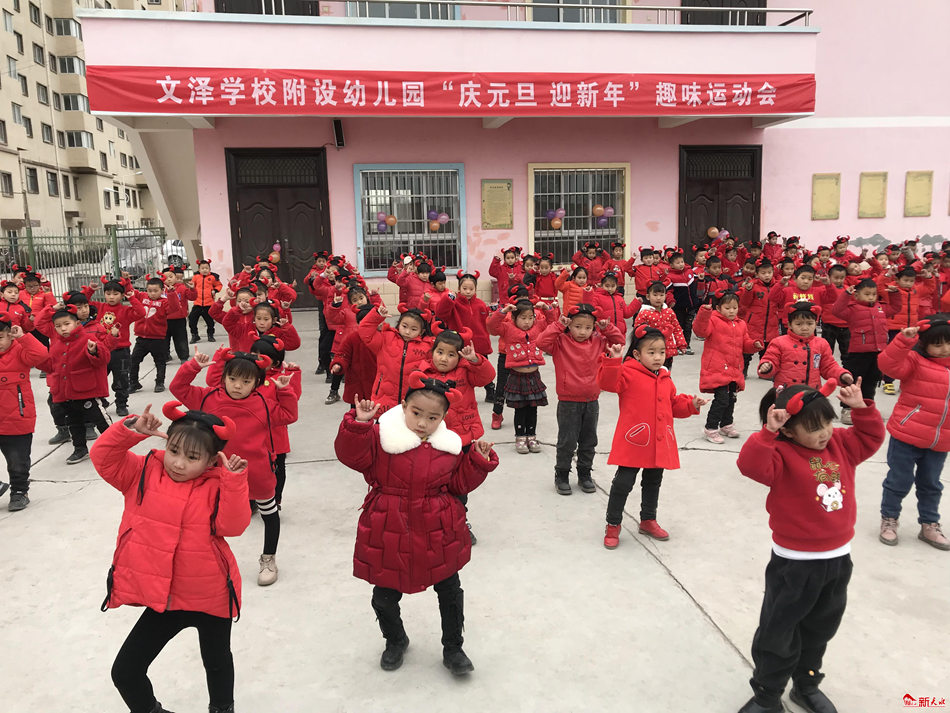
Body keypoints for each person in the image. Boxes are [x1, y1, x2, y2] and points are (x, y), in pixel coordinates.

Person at [735, 379, 884, 713]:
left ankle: (807, 685)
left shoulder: (841, 443)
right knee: (779, 631)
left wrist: (861, 409)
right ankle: (767, 695)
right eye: (814, 428)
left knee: (820, 628)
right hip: (795, 564)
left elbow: (871, 438)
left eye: (827, 422)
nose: (825, 432)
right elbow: (750, 466)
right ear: (788, 431)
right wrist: (767, 433)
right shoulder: (780, 453)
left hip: (837, 561)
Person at [334, 376, 498, 675]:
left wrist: (477, 460)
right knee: (384, 595)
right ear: (404, 406)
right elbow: (351, 456)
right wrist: (359, 424)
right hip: (388, 526)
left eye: (433, 417)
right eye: (416, 413)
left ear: (443, 417)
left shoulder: (449, 446)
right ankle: (395, 639)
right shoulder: (382, 437)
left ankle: (453, 647)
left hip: (438, 528)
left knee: (449, 589)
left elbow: (459, 484)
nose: (423, 423)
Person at [93, 402, 250, 713]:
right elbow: (104, 459)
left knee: (217, 663)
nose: (178, 463)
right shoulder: (141, 472)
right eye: (174, 451)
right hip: (164, 598)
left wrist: (234, 482)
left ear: (210, 461)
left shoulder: (218, 485)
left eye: (192, 457)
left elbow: (233, 527)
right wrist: (131, 431)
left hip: (211, 594)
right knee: (125, 671)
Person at [171, 349, 298, 586]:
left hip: (257, 472)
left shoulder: (263, 404)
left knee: (270, 515)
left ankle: (268, 559)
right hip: (214, 474)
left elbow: (289, 415)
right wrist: (193, 366)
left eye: (246, 381)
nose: (238, 386)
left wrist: (284, 390)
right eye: (232, 379)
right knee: (203, 517)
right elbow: (178, 388)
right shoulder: (208, 398)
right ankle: (202, 561)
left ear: (257, 383)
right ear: (223, 377)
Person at [598, 326, 706, 546]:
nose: (658, 357)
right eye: (652, 352)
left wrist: (691, 404)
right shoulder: (627, 372)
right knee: (623, 483)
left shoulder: (665, 378)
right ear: (637, 354)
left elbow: (673, 404)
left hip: (658, 443)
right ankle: (613, 524)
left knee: (653, 482)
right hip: (634, 442)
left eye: (662, 352)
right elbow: (608, 384)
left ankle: (648, 519)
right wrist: (614, 360)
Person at [876, 317, 950, 550]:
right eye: (937, 344)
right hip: (907, 435)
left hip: (941, 440)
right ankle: (889, 518)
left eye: (949, 343)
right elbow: (888, 365)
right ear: (924, 344)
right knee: (899, 480)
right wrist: (902, 341)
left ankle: (929, 523)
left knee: (931, 484)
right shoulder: (915, 361)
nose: (945, 348)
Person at [537, 304, 623, 495]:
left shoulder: (599, 341)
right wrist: (558, 325)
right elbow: (541, 342)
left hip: (592, 401)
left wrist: (607, 328)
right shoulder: (560, 342)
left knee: (589, 441)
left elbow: (619, 342)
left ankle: (584, 473)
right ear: (569, 325)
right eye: (577, 326)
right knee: (567, 441)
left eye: (588, 327)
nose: (583, 332)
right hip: (568, 401)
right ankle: (562, 474)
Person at [420, 326, 495, 543]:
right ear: (432, 352)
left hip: (461, 438)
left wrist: (475, 360)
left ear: (459, 356)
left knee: (459, 486)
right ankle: (431, 524)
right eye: (440, 352)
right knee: (433, 485)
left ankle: (460, 522)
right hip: (432, 440)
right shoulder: (423, 372)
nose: (444, 358)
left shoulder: (466, 371)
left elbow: (487, 376)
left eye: (451, 354)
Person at [37, 304, 112, 465]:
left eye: (67, 324)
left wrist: (94, 351)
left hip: (86, 391)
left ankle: (115, 446)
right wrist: (38, 360)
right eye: (58, 326)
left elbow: (104, 358)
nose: (63, 329)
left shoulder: (87, 339)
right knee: (73, 423)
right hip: (66, 394)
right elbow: (52, 366)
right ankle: (80, 449)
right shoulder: (56, 343)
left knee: (100, 420)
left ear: (77, 323)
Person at [693, 291, 763, 444]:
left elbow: (745, 344)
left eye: (734, 308)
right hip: (717, 368)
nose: (732, 311)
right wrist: (704, 313)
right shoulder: (713, 321)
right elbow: (700, 330)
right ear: (718, 308)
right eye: (727, 308)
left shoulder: (741, 324)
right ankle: (711, 427)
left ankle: (726, 424)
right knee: (722, 399)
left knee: (731, 398)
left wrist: (754, 345)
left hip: (734, 368)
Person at [487, 299, 555, 454]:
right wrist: (502, 312)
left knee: (533, 408)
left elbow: (552, 323)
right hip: (517, 376)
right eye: (523, 318)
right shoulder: (507, 328)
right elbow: (492, 327)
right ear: (514, 318)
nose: (527, 322)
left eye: (530, 318)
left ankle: (532, 436)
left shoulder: (538, 327)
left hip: (534, 376)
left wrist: (547, 308)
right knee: (520, 409)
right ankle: (520, 438)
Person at [832, 279, 900, 424]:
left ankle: (867, 408)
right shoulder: (852, 309)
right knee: (853, 381)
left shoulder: (880, 308)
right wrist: (846, 295)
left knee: (871, 381)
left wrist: (895, 294)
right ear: (856, 295)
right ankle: (847, 408)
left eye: (874, 294)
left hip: (877, 353)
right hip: (857, 353)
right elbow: (837, 310)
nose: (871, 297)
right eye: (867, 294)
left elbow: (896, 308)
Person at [0, 317, 47, 511]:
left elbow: (41, 355)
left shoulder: (19, 351)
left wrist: (23, 337)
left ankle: (19, 492)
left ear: (10, 336)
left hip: (16, 418)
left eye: (0, 337)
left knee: (17, 461)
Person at [358, 304, 434, 414]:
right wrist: (377, 316)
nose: (407, 332)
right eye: (404, 326)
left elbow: (433, 366)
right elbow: (365, 332)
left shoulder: (427, 347)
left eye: (413, 329)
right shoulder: (386, 338)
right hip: (384, 397)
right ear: (398, 324)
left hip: (413, 399)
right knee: (383, 424)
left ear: (421, 332)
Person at [758, 303, 852, 390]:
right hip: (786, 392)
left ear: (816, 324)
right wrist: (766, 366)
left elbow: (828, 366)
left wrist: (842, 375)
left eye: (810, 323)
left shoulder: (821, 343)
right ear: (790, 325)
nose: (804, 328)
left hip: (812, 392)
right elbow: (771, 359)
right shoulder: (779, 342)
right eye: (798, 324)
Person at [435, 270, 493, 402]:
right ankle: (453, 392)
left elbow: (487, 322)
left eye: (471, 289)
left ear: (475, 289)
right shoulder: (454, 304)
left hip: (480, 344)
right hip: (459, 344)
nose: (468, 291)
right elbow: (440, 313)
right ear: (459, 288)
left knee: (483, 369)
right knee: (458, 371)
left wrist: (493, 312)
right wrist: (448, 299)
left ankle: (490, 391)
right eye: (465, 288)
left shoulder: (480, 304)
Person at [93, 277, 147, 418]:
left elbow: (141, 313)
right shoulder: (98, 307)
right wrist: (89, 291)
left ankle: (121, 403)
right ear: (104, 294)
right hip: (101, 350)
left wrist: (132, 298)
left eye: (115, 294)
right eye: (108, 293)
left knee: (121, 379)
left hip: (121, 351)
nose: (111, 297)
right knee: (98, 378)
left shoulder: (126, 311)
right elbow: (82, 304)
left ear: (122, 295)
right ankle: (101, 400)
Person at [880, 265, 937, 394]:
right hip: (894, 327)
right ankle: (888, 381)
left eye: (911, 281)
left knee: (910, 356)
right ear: (897, 279)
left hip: (911, 328)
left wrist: (928, 276)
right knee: (893, 355)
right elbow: (880, 288)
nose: (908, 283)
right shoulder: (892, 289)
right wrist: (888, 274)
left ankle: (905, 381)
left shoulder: (916, 290)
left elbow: (930, 288)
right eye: (905, 280)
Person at [130, 277, 175, 395]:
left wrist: (171, 293)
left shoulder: (164, 302)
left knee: (160, 362)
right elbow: (130, 291)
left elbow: (174, 308)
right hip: (141, 338)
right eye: (150, 291)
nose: (152, 293)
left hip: (158, 339)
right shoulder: (142, 297)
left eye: (156, 291)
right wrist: (126, 281)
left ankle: (159, 382)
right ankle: (133, 382)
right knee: (133, 360)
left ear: (162, 290)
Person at [329, 305, 378, 411]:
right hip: (357, 383)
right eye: (362, 323)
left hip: (377, 383)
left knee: (378, 413)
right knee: (356, 412)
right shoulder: (352, 338)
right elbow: (343, 354)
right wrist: (338, 364)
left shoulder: (382, 338)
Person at [634, 281, 686, 371]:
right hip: (651, 351)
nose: (658, 298)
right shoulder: (644, 313)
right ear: (648, 296)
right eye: (655, 295)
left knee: (666, 372)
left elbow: (677, 329)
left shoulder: (669, 312)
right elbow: (638, 332)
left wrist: (681, 344)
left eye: (661, 295)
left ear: (665, 296)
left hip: (667, 350)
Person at [739, 260, 779, 377]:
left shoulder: (777, 286)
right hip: (753, 325)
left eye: (769, 272)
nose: (767, 275)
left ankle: (764, 373)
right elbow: (744, 303)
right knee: (747, 351)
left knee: (767, 352)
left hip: (771, 325)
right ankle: (743, 371)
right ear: (757, 274)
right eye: (763, 273)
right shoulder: (753, 285)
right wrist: (747, 291)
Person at [666, 251, 699, 355]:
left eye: (682, 262)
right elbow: (668, 292)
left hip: (691, 306)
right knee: (678, 326)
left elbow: (698, 280)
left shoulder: (690, 272)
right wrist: (671, 301)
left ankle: (687, 345)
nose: (681, 264)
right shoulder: (670, 277)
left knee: (688, 326)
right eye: (678, 263)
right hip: (678, 307)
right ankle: (677, 345)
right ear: (671, 265)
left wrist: (701, 279)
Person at [162, 266, 195, 364]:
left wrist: (192, 289)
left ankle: (183, 357)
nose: (168, 279)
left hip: (179, 319)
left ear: (176, 277)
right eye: (165, 277)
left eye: (171, 277)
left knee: (181, 339)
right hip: (164, 319)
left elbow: (192, 297)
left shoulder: (182, 288)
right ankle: (164, 356)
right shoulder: (160, 289)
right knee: (163, 340)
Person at [189, 259, 222, 343]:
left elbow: (219, 285)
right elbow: (192, 285)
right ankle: (195, 335)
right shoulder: (196, 277)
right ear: (199, 269)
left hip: (209, 304)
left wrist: (215, 290)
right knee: (192, 319)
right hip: (197, 303)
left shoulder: (213, 277)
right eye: (202, 268)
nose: (205, 270)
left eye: (206, 268)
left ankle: (210, 335)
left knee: (210, 321)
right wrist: (191, 287)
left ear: (209, 269)